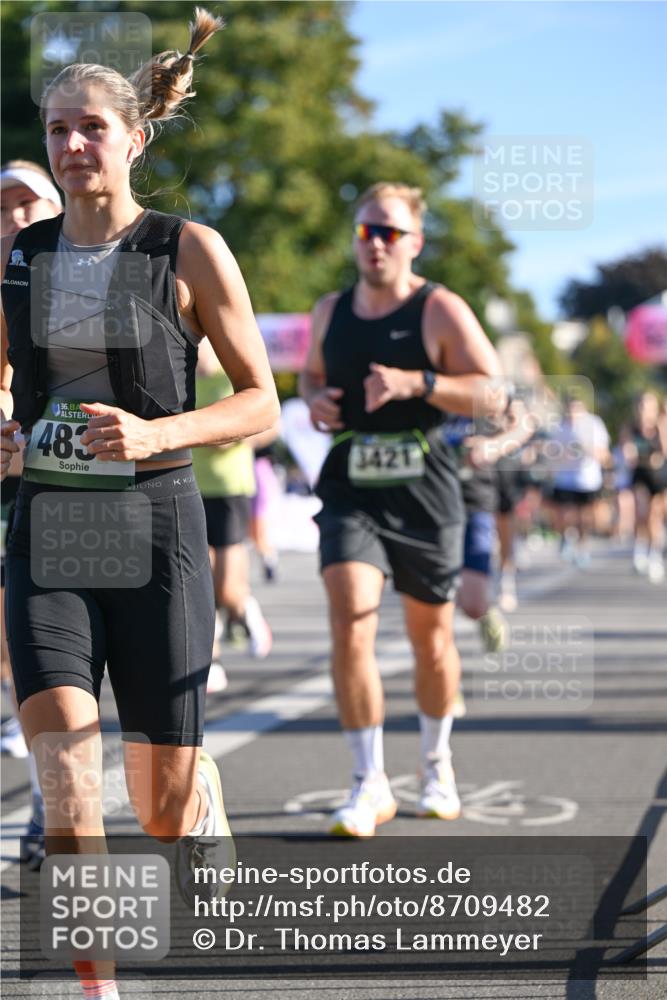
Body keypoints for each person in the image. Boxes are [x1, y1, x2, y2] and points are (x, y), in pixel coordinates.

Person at [1, 10, 279, 999]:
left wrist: (162, 433)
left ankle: (198, 807)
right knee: (68, 776)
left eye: (90, 128)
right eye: (56, 131)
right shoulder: (23, 259)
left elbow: (260, 398)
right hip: (49, 537)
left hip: (156, 534)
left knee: (156, 807)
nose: (72, 146)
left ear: (134, 139)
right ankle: (97, 986)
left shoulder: (186, 250)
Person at [299, 182, 503, 838]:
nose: (376, 243)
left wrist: (419, 383)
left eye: (389, 232)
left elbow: (492, 393)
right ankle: (369, 782)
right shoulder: (330, 309)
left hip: (425, 487)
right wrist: (316, 401)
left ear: (414, 243)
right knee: (351, 621)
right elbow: (308, 374)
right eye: (366, 231)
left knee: (430, 641)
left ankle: (436, 766)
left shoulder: (438, 308)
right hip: (352, 483)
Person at [0, 159, 64, 868]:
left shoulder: (75, 282)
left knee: (42, 662)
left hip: (66, 494)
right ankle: (53, 800)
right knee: (20, 657)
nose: (15, 217)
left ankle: (51, 805)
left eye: (28, 203)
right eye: (3, 207)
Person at [192, 337, 274, 665]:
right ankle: (207, 662)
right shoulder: (174, 370)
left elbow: (270, 424)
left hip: (230, 487)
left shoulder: (235, 365)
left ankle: (246, 609)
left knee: (226, 588)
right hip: (190, 485)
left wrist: (234, 435)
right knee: (198, 582)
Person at [549, 396, 610, 568]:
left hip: (587, 480)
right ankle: (565, 537)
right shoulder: (559, 426)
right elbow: (550, 452)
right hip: (564, 478)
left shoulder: (594, 424)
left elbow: (604, 454)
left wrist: (586, 448)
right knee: (564, 514)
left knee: (584, 517)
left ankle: (582, 548)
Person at [620, 391, 667, 582]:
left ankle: (655, 554)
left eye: (647, 406)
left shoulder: (660, 426)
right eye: (640, 405)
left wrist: (661, 427)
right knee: (641, 511)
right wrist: (631, 454)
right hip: (640, 475)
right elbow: (627, 452)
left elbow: (664, 452)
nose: (643, 410)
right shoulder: (630, 428)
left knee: (654, 515)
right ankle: (639, 550)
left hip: (658, 477)